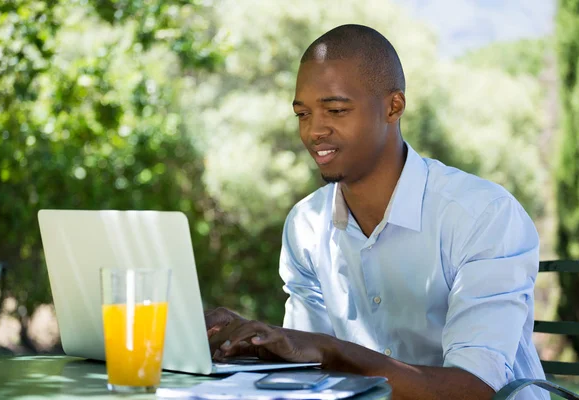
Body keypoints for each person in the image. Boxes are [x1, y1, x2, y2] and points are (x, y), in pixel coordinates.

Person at [205, 24, 549, 400]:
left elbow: (476, 390)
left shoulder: (482, 216)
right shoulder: (305, 226)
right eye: (302, 114)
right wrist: (257, 341)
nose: (314, 130)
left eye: (335, 109)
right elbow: (306, 365)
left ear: (393, 106)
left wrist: (330, 349)